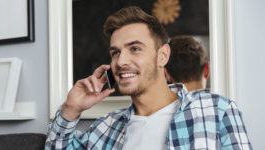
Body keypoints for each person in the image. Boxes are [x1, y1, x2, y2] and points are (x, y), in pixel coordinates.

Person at [45, 6, 252, 149]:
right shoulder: (106, 126)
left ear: (162, 55)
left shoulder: (217, 111)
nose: (121, 61)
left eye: (134, 48)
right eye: (115, 52)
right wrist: (71, 109)